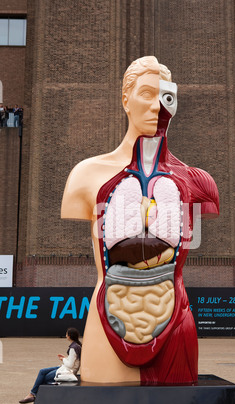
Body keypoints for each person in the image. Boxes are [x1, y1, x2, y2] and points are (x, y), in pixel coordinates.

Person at [61, 56, 219, 385]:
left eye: (165, 98)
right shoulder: (85, 176)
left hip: (175, 321)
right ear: (125, 99)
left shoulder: (198, 182)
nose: (156, 108)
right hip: (108, 317)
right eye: (146, 94)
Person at [19, 328, 82, 404]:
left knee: (44, 378)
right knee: (42, 371)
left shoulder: (73, 348)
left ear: (69, 336)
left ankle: (34, 395)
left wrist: (63, 359)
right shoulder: (77, 345)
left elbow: (70, 365)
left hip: (68, 371)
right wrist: (65, 358)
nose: (66, 336)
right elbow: (74, 361)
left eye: (66, 334)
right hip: (65, 368)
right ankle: (32, 394)